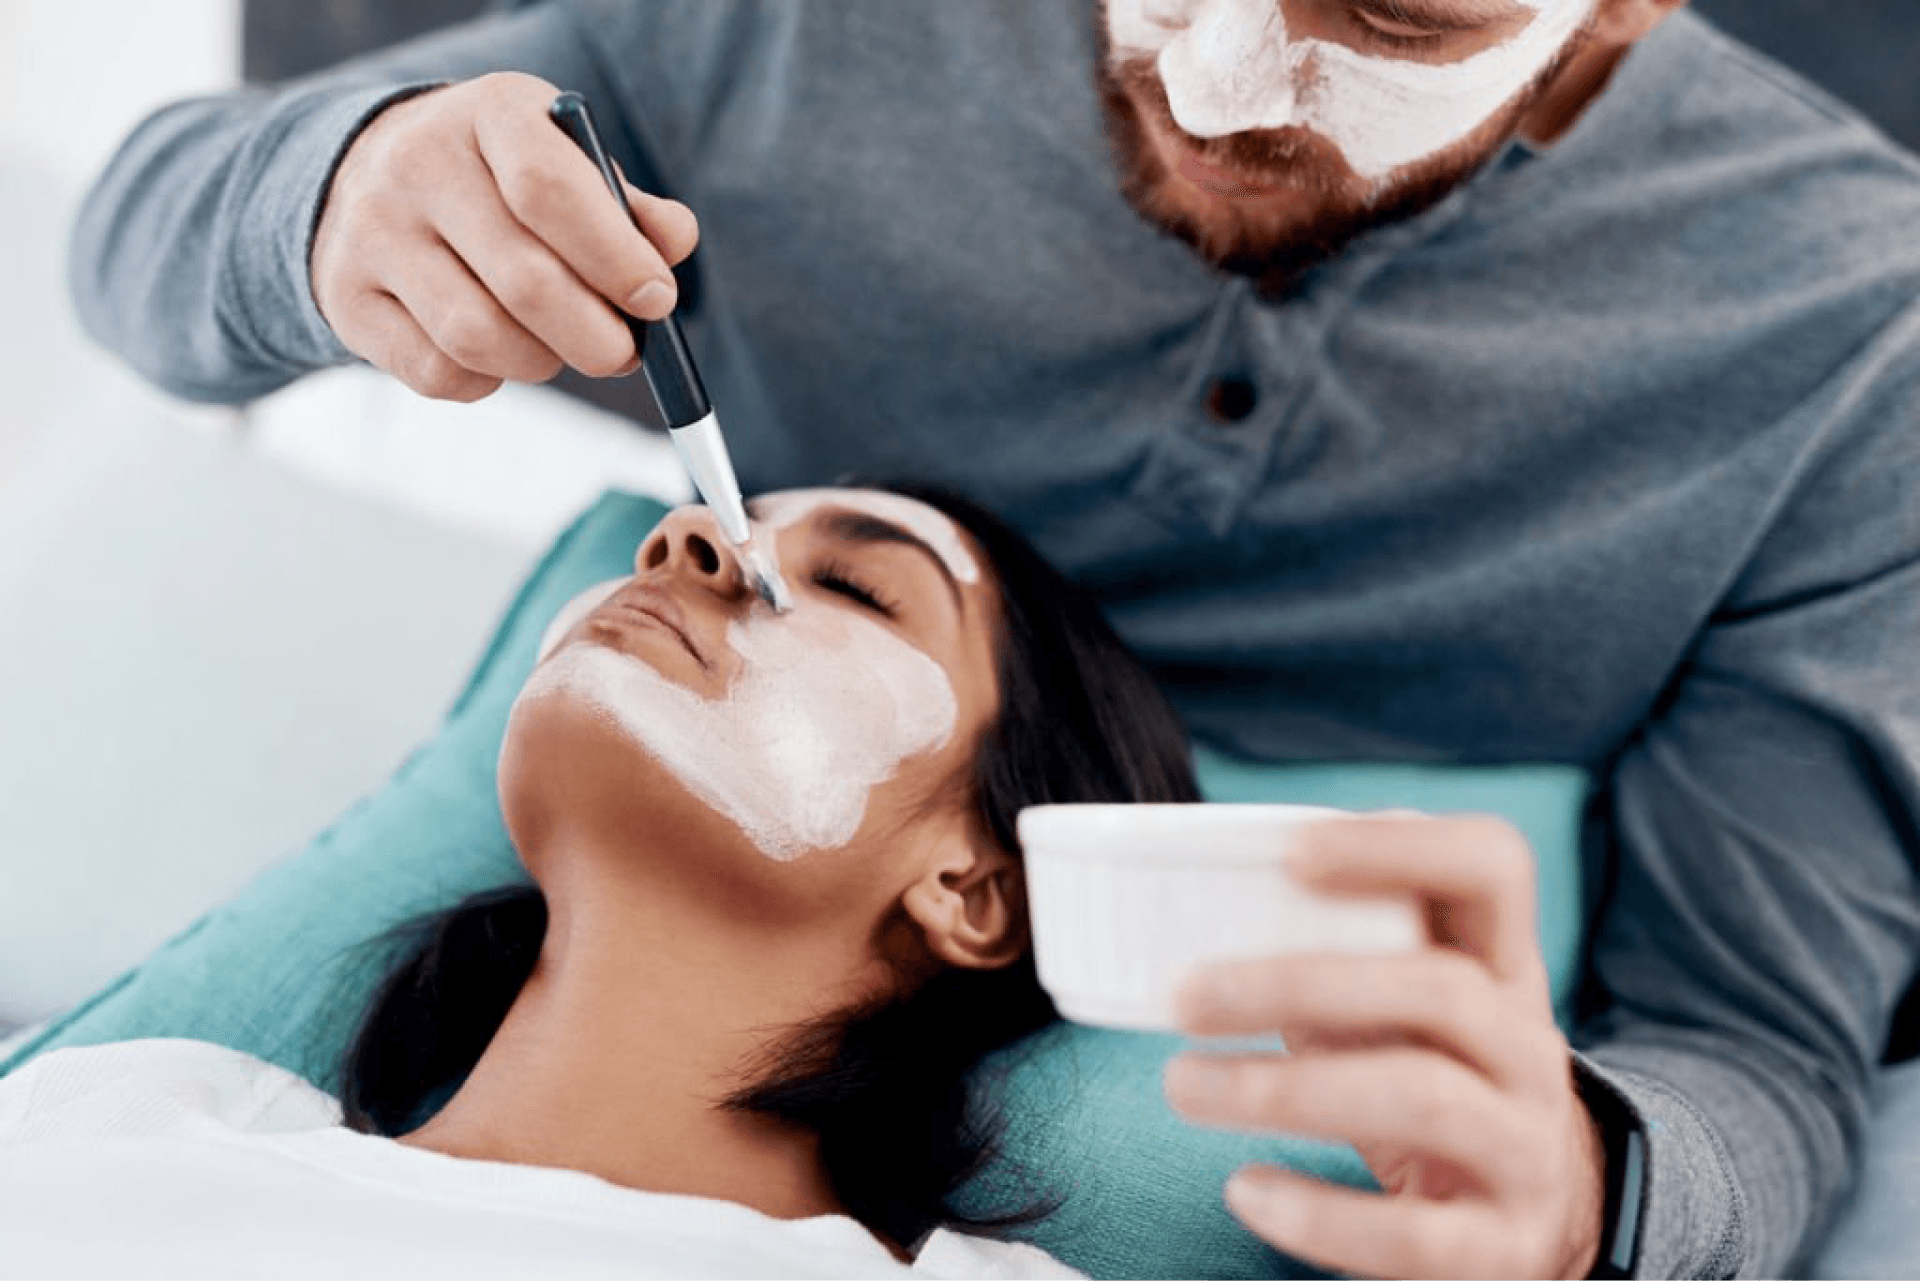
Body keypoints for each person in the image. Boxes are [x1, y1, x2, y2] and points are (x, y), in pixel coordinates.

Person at [62, 1, 1920, 1276]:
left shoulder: (1852, 353)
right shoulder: (127, 1133)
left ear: (1619, 22)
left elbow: (1755, 1046)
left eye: (1389, 22)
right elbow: (140, 246)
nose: (1212, 86)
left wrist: (1594, 1194)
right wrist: (328, 195)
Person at [0, 483, 1203, 1277]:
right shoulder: (130, 1112)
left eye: (852, 586)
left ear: (975, 890)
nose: (684, 542)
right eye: (702, 519)